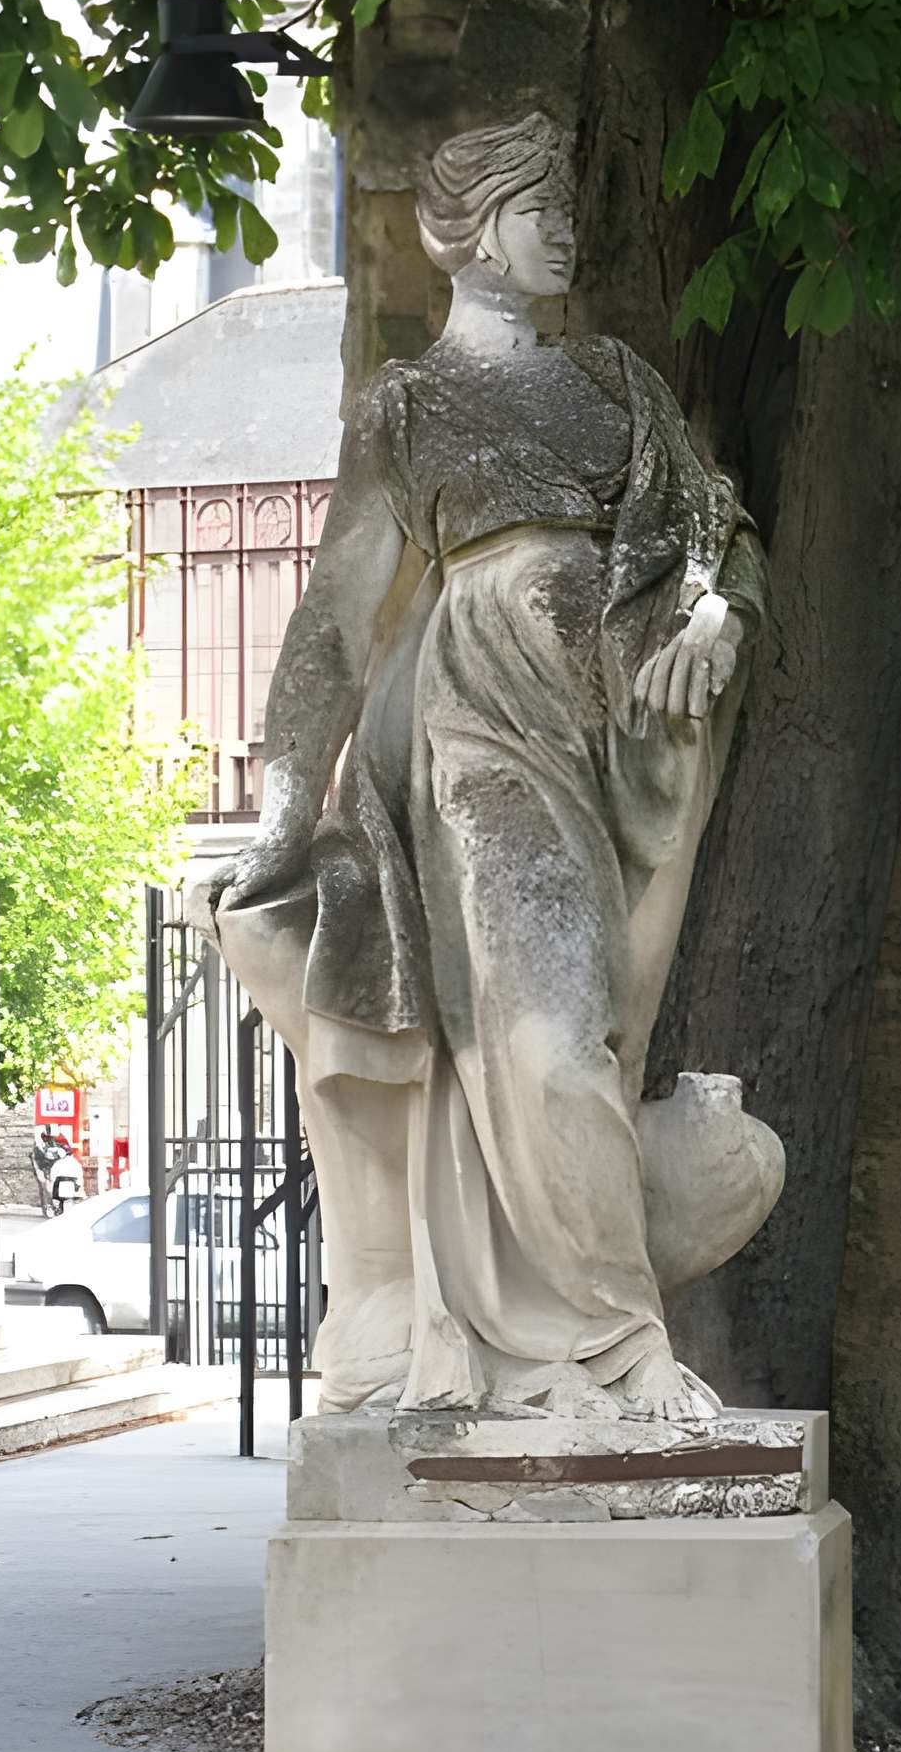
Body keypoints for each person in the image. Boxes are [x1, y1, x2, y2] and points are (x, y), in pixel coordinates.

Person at [204, 112, 771, 1417]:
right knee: (547, 1043)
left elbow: (714, 536)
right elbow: (336, 621)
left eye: (567, 203)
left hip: (625, 744)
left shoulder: (621, 383)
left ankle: (568, 1339)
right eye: (536, 204)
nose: (564, 227)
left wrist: (713, 614)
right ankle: (618, 1347)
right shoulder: (407, 407)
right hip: (477, 732)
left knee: (582, 1049)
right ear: (464, 232)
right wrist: (283, 818)